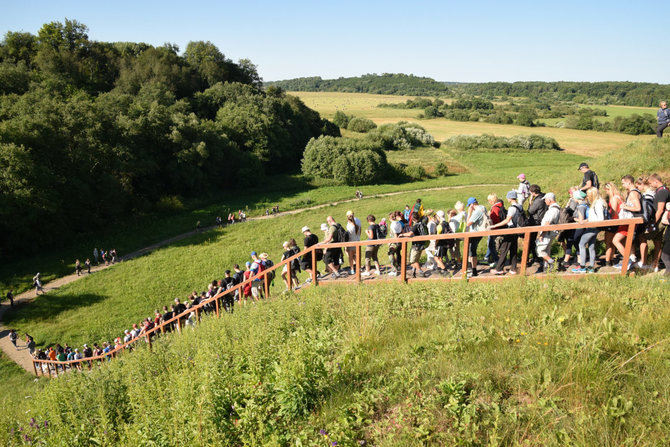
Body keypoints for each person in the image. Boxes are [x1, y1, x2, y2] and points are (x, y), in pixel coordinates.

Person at [612, 175, 643, 269]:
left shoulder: (633, 193)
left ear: (629, 182)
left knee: (615, 240)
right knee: (623, 241)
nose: (623, 185)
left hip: (630, 221)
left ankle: (628, 261)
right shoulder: (634, 192)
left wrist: (624, 207)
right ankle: (628, 261)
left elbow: (638, 208)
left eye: (623, 183)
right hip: (629, 221)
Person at [573, 188, 606, 273]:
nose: (586, 196)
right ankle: (591, 267)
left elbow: (600, 218)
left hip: (593, 227)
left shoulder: (597, 203)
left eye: (588, 194)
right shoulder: (595, 203)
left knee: (581, 244)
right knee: (591, 247)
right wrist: (586, 221)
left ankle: (583, 266)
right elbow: (593, 217)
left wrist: (588, 221)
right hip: (592, 226)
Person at [640, 173, 669, 271]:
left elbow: (660, 209)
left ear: (656, 181)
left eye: (651, 183)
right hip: (660, 220)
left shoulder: (662, 192)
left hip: (659, 221)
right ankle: (654, 265)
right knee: (657, 241)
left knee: (643, 236)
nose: (651, 185)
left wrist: (653, 223)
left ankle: (651, 264)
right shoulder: (663, 190)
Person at [490, 191, 521, 275]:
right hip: (517, 230)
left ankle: (499, 269)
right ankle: (513, 269)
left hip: (510, 230)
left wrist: (493, 226)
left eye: (508, 197)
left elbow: (507, 220)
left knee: (504, 249)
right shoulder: (519, 206)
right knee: (513, 250)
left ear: (510, 198)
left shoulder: (512, 208)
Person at [464, 197, 487, 277]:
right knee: (472, 251)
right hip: (480, 232)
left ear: (472, 205)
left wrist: (469, 213)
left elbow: (468, 223)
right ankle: (473, 269)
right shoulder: (483, 207)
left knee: (471, 252)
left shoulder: (477, 211)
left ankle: (472, 270)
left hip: (475, 233)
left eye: (469, 205)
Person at [400, 212, 428, 277]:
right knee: (416, 259)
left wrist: (402, 234)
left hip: (416, 245)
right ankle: (413, 272)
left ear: (413, 219)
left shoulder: (416, 225)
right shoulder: (422, 224)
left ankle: (421, 272)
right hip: (422, 244)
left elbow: (410, 234)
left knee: (413, 260)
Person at [604, 182, 624, 267]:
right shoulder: (619, 197)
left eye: (606, 191)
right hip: (619, 222)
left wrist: (607, 214)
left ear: (609, 189)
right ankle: (611, 259)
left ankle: (608, 261)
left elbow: (613, 211)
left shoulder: (613, 199)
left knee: (608, 242)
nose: (606, 193)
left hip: (613, 222)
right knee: (612, 242)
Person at [526, 185, 547, 266]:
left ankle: (530, 259)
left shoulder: (538, 201)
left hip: (535, 222)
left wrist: (530, 202)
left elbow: (530, 211)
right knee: (532, 240)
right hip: (541, 220)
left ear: (533, 193)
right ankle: (535, 256)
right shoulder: (544, 197)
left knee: (530, 240)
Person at [486, 194, 505, 268]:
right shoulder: (500, 206)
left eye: (489, 200)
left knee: (492, 246)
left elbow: (496, 220)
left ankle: (497, 261)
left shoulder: (495, 208)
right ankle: (495, 260)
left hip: (495, 230)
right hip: (500, 228)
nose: (489, 202)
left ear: (492, 200)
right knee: (494, 246)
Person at [387, 211, 404, 276]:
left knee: (390, 254)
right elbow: (402, 231)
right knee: (398, 254)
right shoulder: (398, 223)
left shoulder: (393, 224)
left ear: (390, 218)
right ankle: (398, 266)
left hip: (395, 242)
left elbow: (395, 235)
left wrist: (390, 242)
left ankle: (395, 270)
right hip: (400, 241)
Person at [345, 210, 362, 275]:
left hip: (351, 242)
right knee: (357, 256)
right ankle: (358, 268)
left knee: (350, 257)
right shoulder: (357, 223)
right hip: (357, 241)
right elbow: (360, 231)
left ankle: (352, 269)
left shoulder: (349, 226)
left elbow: (349, 235)